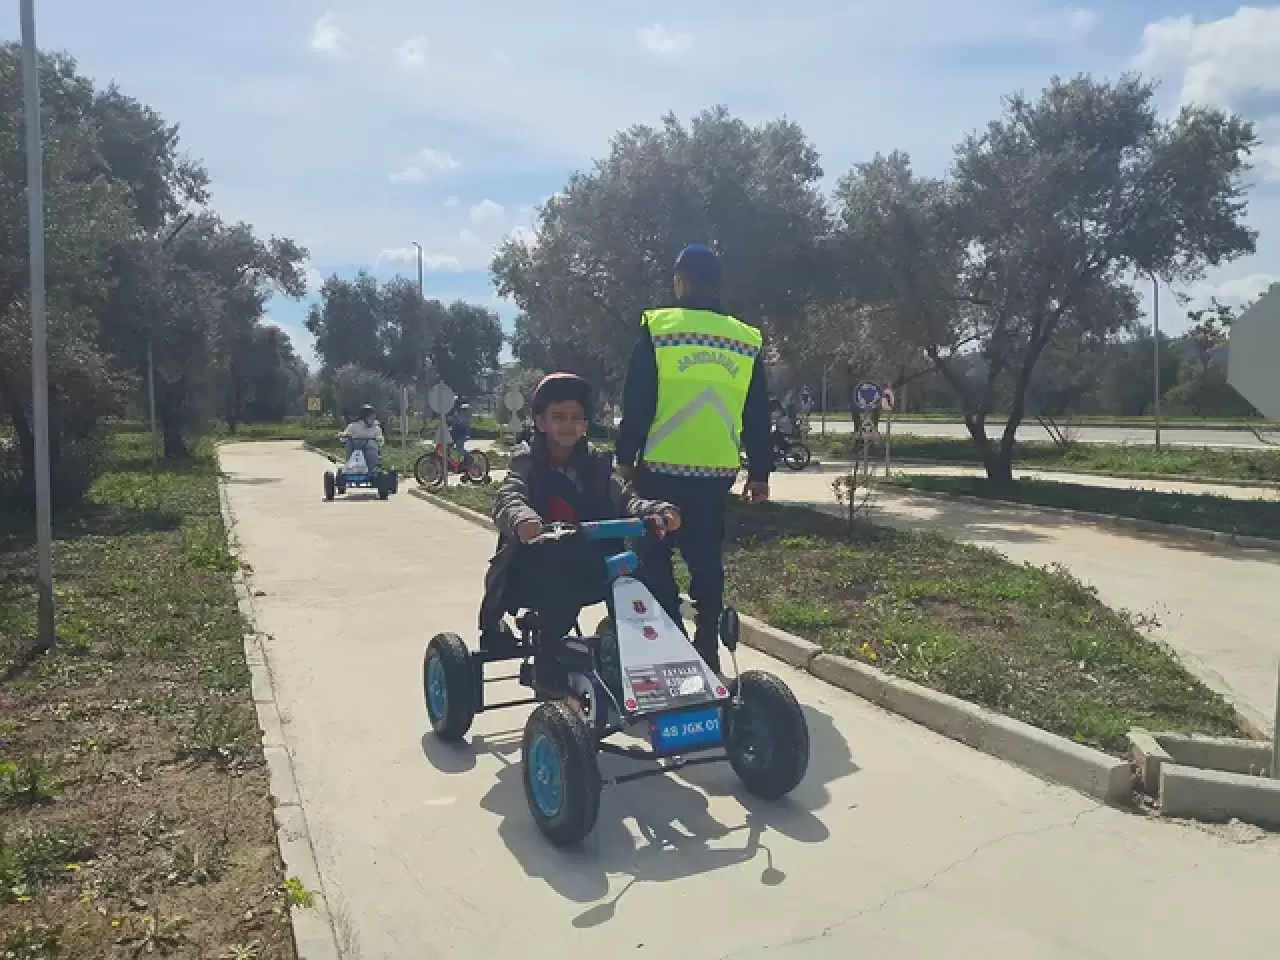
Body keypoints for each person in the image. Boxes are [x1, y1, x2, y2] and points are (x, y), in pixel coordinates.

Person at [615, 243, 772, 675]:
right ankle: (707, 644)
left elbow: (639, 400)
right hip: (716, 471)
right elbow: (758, 410)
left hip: (661, 470)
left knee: (654, 555)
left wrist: (624, 459)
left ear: (681, 280)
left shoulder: (660, 327)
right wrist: (759, 471)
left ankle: (672, 641)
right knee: (705, 557)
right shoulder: (745, 338)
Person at [479, 373, 680, 659]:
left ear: (585, 425)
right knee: (562, 582)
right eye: (558, 417)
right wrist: (522, 517)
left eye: (576, 418)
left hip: (591, 561)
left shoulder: (597, 464)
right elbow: (510, 495)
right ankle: (550, 664)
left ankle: (648, 653)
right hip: (535, 566)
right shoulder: (526, 462)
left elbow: (624, 499)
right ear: (541, 423)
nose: (568, 425)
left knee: (638, 575)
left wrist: (656, 511)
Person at [340, 404, 384, 472]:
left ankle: (372, 470)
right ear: (364, 417)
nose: (373, 419)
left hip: (369, 451)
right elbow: (343, 438)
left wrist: (379, 439)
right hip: (354, 449)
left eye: (374, 417)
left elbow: (381, 441)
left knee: (371, 444)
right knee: (349, 443)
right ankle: (350, 466)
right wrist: (344, 435)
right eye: (371, 417)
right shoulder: (354, 426)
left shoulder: (376, 428)